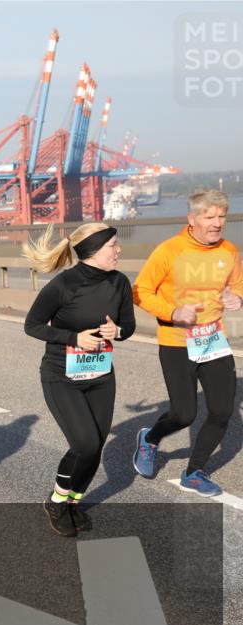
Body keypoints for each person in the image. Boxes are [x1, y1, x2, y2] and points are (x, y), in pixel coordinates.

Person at [22, 223, 136, 537]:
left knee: (95, 447)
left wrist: (119, 332)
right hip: (61, 376)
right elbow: (32, 326)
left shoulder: (120, 282)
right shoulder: (63, 285)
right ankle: (57, 501)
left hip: (101, 375)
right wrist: (73, 337)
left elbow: (128, 325)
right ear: (93, 251)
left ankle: (73, 502)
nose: (118, 250)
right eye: (113, 245)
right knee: (84, 444)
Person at [132, 188, 242, 496]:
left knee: (222, 411)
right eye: (209, 217)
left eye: (222, 216)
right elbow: (140, 291)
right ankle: (151, 438)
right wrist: (172, 311)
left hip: (212, 339)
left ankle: (194, 471)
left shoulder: (229, 250)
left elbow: (238, 282)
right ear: (191, 219)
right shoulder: (169, 251)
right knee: (184, 414)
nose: (217, 223)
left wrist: (238, 297)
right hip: (177, 340)